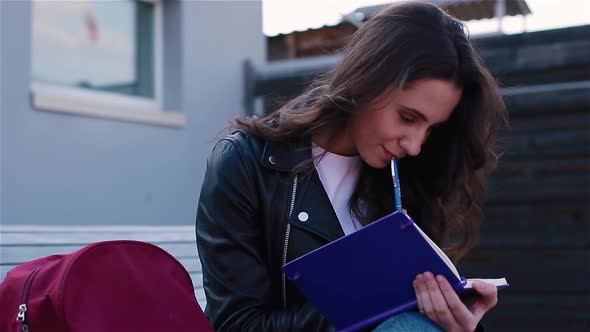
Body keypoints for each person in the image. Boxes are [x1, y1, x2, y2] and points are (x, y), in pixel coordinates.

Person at [195, 2, 507, 331]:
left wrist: (459, 320)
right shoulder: (246, 164)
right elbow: (236, 325)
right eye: (408, 117)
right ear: (366, 80)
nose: (415, 146)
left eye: (431, 129)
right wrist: (373, 304)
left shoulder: (406, 179)